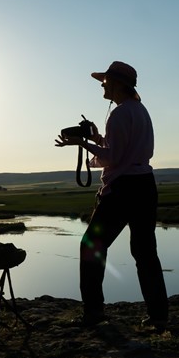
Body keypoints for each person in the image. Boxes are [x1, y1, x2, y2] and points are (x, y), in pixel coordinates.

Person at [55, 61, 168, 331]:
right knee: (145, 253)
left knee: (91, 246)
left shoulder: (119, 114)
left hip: (122, 189)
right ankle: (159, 316)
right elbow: (121, 148)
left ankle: (93, 313)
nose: (102, 85)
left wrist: (82, 143)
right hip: (144, 185)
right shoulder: (139, 111)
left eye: (104, 81)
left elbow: (113, 158)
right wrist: (96, 137)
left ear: (117, 83)